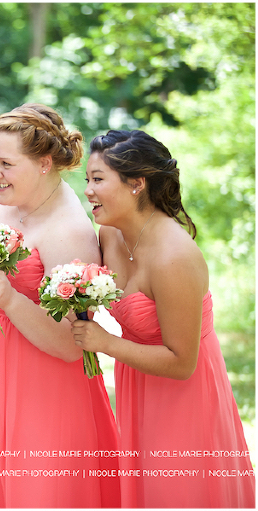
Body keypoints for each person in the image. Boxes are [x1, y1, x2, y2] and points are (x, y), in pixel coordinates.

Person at [0, 104, 121, 508]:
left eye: (6, 164)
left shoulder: (71, 231)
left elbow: (68, 344)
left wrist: (7, 296)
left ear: (45, 163)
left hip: (38, 383)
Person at [73, 129, 255, 507]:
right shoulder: (110, 232)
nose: (88, 190)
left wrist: (105, 343)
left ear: (137, 183)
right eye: (87, 180)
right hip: (137, 385)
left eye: (98, 179)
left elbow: (181, 362)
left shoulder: (175, 257)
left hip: (183, 398)